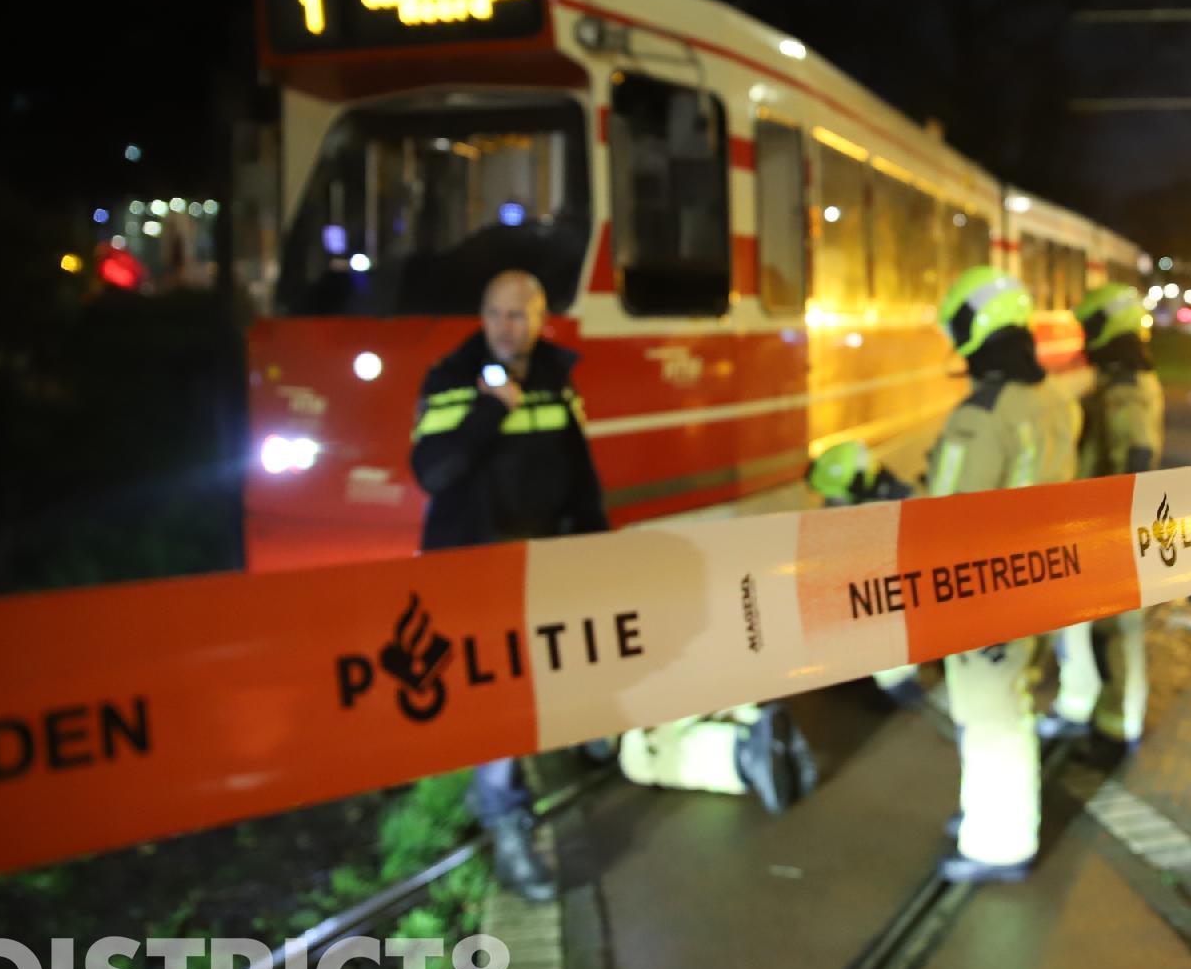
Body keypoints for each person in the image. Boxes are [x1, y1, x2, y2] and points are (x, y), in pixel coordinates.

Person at [411, 270, 813, 903]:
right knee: (508, 697)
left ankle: (561, 756)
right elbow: (434, 472)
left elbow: (577, 474)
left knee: (553, 677)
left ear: (543, 320)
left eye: (518, 316)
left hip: (548, 559)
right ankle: (504, 818)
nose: (504, 327)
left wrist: (596, 547)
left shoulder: (554, 378)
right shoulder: (450, 378)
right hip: (478, 564)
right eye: (494, 313)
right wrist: (490, 410)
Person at [925, 267, 1080, 884]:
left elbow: (944, 519)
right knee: (1012, 705)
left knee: (989, 716)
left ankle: (998, 843)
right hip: (1041, 581)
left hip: (985, 593)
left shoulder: (980, 414)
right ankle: (989, 813)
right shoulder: (1053, 402)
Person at [1041, 283, 1166, 748]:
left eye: (1092, 327)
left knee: (1116, 631)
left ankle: (1115, 729)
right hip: (1106, 522)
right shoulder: (1121, 379)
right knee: (1097, 626)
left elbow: (1134, 454)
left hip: (1114, 526)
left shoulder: (1128, 387)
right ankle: (1097, 713)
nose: (1087, 337)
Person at [806, 440, 923, 705]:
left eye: (835, 495)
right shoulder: (875, 494)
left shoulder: (897, 504)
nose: (831, 502)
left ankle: (906, 694)